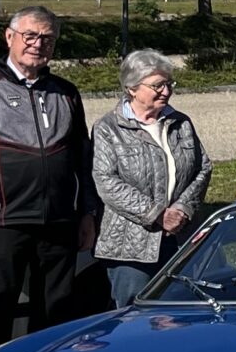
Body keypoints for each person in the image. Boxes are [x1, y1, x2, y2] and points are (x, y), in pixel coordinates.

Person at [0, 6, 97, 352]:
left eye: (47, 38)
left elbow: (82, 158)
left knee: (55, 321)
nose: (38, 44)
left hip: (59, 223)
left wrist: (87, 212)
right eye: (30, 36)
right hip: (1, 223)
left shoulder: (67, 93)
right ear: (9, 36)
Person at [90, 51, 210, 306]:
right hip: (131, 248)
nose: (166, 91)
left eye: (169, 84)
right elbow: (106, 181)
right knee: (134, 316)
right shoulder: (108, 128)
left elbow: (203, 167)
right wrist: (157, 214)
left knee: (183, 311)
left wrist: (182, 208)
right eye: (158, 85)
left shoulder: (181, 123)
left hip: (180, 238)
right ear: (132, 88)